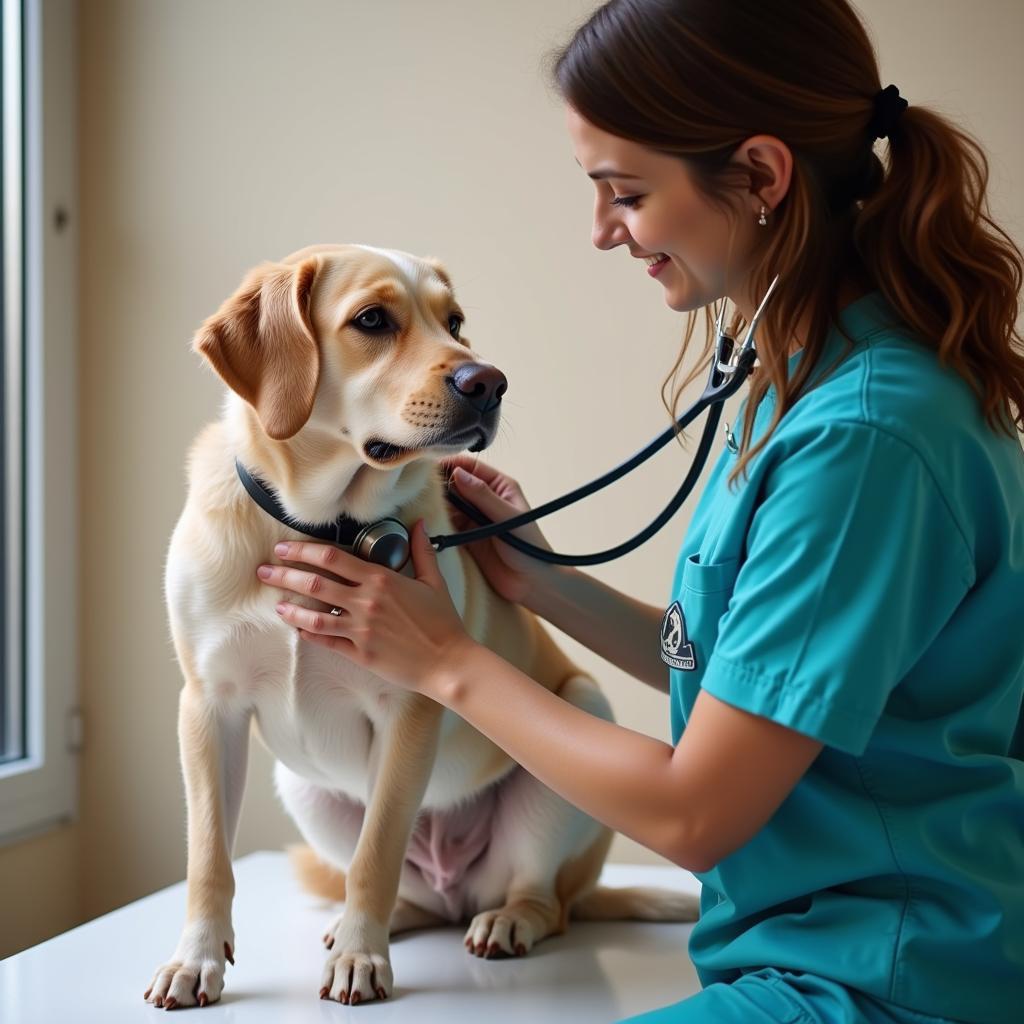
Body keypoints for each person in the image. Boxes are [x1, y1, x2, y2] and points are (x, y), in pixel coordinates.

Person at [257, 1, 1024, 1021]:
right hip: (812, 950)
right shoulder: (818, 385)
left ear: (759, 176)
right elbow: (747, 679)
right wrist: (542, 583)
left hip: (880, 981)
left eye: (624, 192)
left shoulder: (865, 439)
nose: (602, 230)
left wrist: (446, 660)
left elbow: (694, 807)